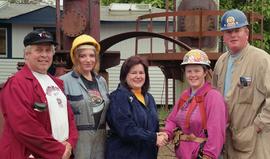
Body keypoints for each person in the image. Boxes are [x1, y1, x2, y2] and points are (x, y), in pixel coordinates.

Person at [0, 29, 78, 159]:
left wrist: (70, 144)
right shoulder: (16, 84)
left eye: (48, 50)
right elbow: (25, 126)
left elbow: (69, 118)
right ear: (27, 54)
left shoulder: (56, 83)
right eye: (39, 50)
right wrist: (58, 150)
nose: (44, 55)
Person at [212, 9, 270, 159]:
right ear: (223, 36)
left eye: (237, 30)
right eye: (228, 31)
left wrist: (257, 126)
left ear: (247, 33)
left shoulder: (262, 60)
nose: (233, 35)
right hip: (225, 142)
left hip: (253, 145)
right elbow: (214, 98)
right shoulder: (221, 62)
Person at [163, 49, 227, 159]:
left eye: (197, 71)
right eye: (189, 71)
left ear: (205, 72)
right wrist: (166, 134)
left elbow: (216, 132)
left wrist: (209, 156)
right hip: (183, 154)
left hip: (202, 155)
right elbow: (172, 120)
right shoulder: (185, 96)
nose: (193, 75)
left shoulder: (213, 97)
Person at [105, 55, 167, 159]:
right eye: (133, 73)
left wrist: (161, 135)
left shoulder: (149, 98)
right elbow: (126, 129)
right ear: (125, 76)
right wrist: (153, 137)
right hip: (124, 154)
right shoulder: (118, 97)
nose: (138, 76)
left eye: (141, 73)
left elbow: (153, 127)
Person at [60, 34, 110, 159]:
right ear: (75, 58)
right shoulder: (63, 82)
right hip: (79, 140)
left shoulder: (101, 81)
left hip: (101, 138)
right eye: (83, 56)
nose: (88, 60)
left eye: (92, 56)